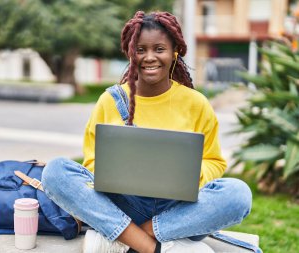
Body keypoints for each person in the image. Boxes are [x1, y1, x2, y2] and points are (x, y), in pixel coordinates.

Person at [41, 11, 252, 253]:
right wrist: (115, 174)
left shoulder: (196, 103)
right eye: (140, 50)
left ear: (175, 52)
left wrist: (191, 176)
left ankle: (129, 237)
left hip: (180, 210)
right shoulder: (110, 101)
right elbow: (91, 164)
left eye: (159, 49)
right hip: (124, 203)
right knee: (55, 172)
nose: (149, 57)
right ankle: (156, 247)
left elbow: (214, 162)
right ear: (130, 53)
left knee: (238, 195)